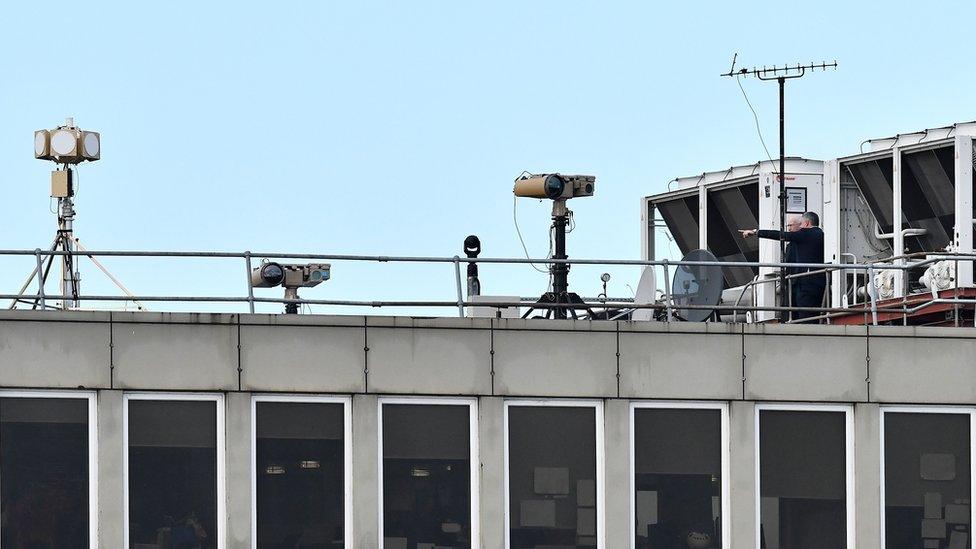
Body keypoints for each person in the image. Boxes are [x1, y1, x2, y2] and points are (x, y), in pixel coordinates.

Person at [739, 211, 825, 322]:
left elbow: (781, 235)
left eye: (802, 224)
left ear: (807, 223)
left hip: (806, 283)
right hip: (818, 281)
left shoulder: (805, 234)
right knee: (813, 315)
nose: (800, 228)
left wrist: (756, 232)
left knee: (804, 316)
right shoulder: (821, 235)